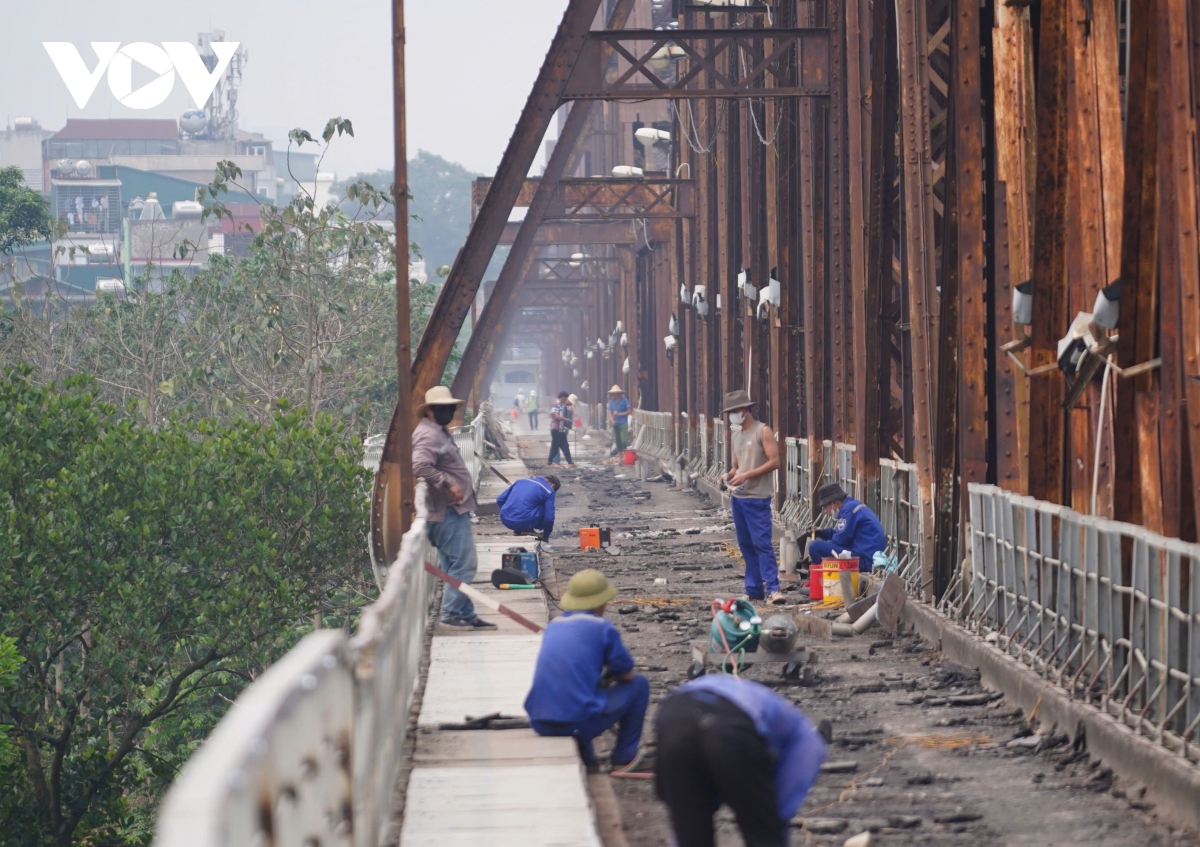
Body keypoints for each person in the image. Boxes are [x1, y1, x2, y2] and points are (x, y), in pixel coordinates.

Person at [655, 674, 827, 847]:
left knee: (691, 833)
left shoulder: (780, 719)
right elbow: (798, 773)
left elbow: (681, 802)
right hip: (729, 723)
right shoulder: (802, 735)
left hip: (673, 715)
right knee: (763, 837)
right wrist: (772, 819)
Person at [525, 569, 650, 771]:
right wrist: (608, 676)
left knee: (579, 695)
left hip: (539, 721)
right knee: (639, 685)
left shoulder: (555, 625)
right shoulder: (602, 627)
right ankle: (625, 756)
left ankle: (589, 759)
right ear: (601, 602)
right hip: (576, 723)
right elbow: (628, 674)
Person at [411, 385, 497, 630]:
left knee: (452, 566)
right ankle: (450, 612)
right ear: (429, 412)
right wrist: (448, 483)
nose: (446, 412)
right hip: (446, 511)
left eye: (449, 408)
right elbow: (419, 465)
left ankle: (466, 614)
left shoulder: (437, 431)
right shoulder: (429, 435)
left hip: (449, 510)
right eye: (441, 408)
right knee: (465, 564)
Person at [722, 389, 785, 605]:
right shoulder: (736, 434)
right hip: (739, 498)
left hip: (757, 497)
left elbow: (775, 462)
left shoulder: (762, 431)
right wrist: (728, 476)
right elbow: (736, 466)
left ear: (745, 410)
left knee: (762, 544)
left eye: (735, 410)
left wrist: (746, 475)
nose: (732, 415)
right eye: (730, 412)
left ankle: (773, 588)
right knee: (746, 545)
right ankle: (754, 588)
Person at [805, 482, 888, 572]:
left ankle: (825, 577)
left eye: (825, 507)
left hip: (864, 560)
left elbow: (839, 541)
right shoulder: (852, 506)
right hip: (867, 555)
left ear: (835, 503)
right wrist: (821, 533)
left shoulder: (848, 511)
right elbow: (843, 534)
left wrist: (825, 542)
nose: (825, 511)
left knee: (815, 547)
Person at [496, 474, 560, 542]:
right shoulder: (549, 490)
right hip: (525, 522)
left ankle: (519, 530)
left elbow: (500, 499)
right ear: (553, 486)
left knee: (526, 504)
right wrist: (546, 536)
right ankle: (525, 527)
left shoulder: (520, 481)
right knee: (546, 507)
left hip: (505, 520)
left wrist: (507, 514)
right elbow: (549, 518)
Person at [547, 391, 576, 468]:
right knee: (555, 446)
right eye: (565, 398)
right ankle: (550, 461)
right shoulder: (555, 405)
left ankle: (570, 462)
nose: (565, 400)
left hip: (562, 429)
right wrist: (566, 419)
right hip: (555, 429)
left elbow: (568, 411)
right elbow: (556, 416)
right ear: (562, 397)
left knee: (565, 446)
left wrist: (568, 425)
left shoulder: (564, 406)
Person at [607, 385, 632, 457]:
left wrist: (619, 414)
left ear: (619, 393)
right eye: (613, 394)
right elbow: (610, 413)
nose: (614, 395)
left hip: (623, 423)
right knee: (617, 441)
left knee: (624, 441)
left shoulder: (624, 401)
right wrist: (612, 421)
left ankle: (624, 455)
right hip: (616, 424)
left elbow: (629, 411)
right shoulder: (611, 402)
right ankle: (620, 459)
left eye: (615, 393)